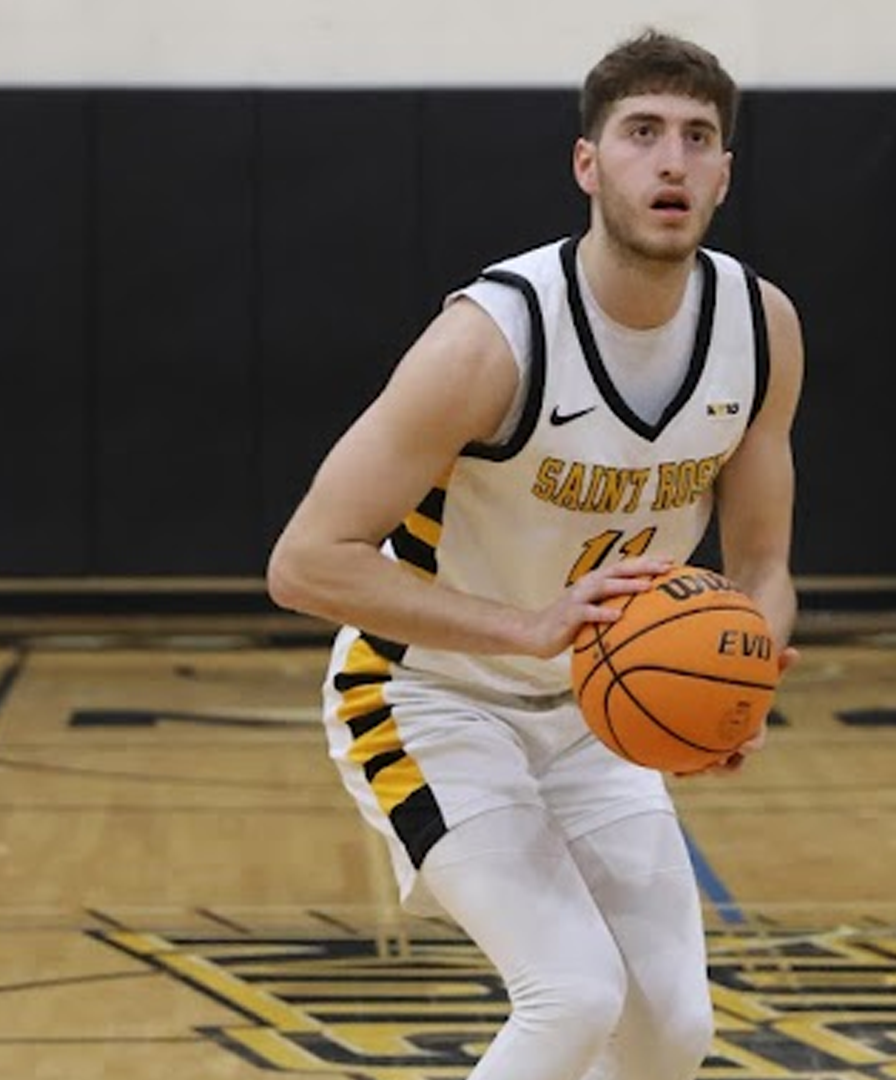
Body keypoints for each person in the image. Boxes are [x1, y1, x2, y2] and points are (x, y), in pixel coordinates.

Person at [265, 27, 803, 1080]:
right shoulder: (492, 339)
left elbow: (766, 565)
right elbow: (306, 562)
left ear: (725, 176)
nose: (672, 160)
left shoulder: (760, 327)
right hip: (427, 699)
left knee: (670, 1032)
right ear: (588, 164)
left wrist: (746, 677)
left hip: (596, 713)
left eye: (698, 138)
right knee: (573, 996)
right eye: (642, 132)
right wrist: (526, 627)